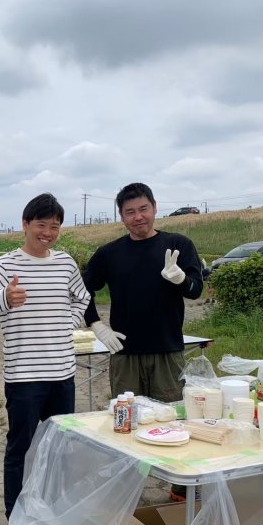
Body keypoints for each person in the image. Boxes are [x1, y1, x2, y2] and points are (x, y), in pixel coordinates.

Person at [0, 193, 91, 519]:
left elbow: (83, 297)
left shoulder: (65, 263)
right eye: (41, 225)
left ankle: (54, 509)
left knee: (61, 446)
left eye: (54, 226)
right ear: (25, 224)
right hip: (24, 376)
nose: (47, 232)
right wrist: (5, 298)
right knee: (19, 448)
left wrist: (69, 322)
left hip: (63, 374)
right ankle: (16, 515)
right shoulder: (6, 265)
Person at [82, 182, 203, 501]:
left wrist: (181, 279)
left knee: (174, 420)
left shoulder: (177, 245)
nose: (138, 217)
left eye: (143, 209)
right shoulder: (109, 253)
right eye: (130, 212)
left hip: (168, 350)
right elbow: (80, 290)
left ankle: (182, 489)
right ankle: (125, 490)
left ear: (155, 207)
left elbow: (196, 290)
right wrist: (96, 324)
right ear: (121, 216)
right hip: (125, 352)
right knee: (125, 423)